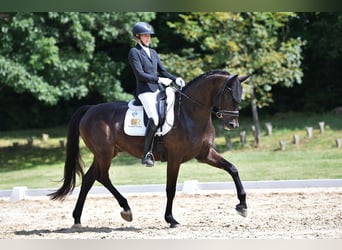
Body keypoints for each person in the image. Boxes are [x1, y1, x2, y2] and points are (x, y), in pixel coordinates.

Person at [128, 21, 185, 167]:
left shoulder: (153, 52)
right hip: (145, 91)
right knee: (154, 118)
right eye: (145, 35)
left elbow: (163, 71)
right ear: (137, 36)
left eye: (149, 35)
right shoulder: (134, 52)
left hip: (157, 89)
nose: (148, 38)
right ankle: (146, 153)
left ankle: (166, 146)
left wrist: (175, 78)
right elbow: (140, 74)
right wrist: (159, 79)